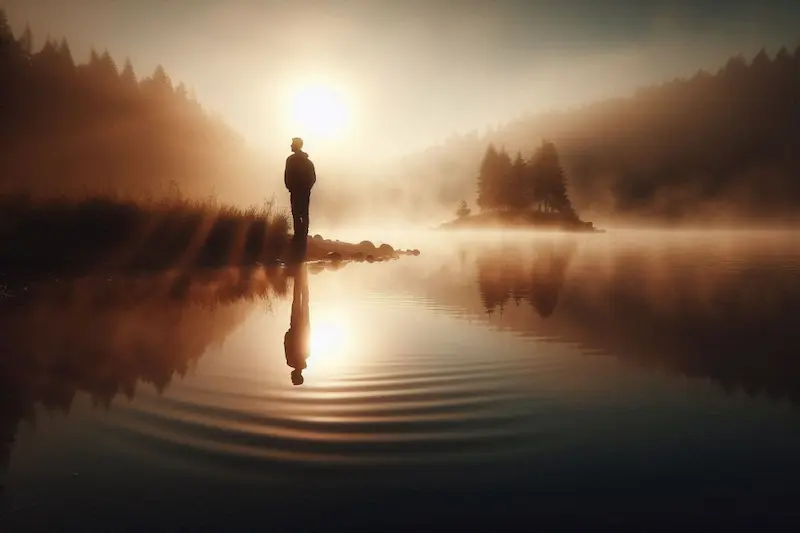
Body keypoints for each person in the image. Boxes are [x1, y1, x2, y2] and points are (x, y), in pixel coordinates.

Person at [284, 137, 316, 243]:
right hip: (304, 191)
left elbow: (287, 176)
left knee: (296, 213)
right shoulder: (308, 162)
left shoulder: (290, 160)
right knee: (304, 213)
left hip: (295, 191)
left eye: (292, 144)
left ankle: (298, 235)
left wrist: (290, 187)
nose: (290, 145)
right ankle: (303, 236)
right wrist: (307, 188)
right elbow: (313, 178)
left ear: (296, 145)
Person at [284, 264, 311, 385]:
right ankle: (299, 274)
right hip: (296, 327)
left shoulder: (306, 355)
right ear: (295, 375)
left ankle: (303, 273)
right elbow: (286, 343)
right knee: (297, 301)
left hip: (303, 325)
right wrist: (289, 333)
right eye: (292, 378)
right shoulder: (290, 361)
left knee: (304, 301)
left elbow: (308, 336)